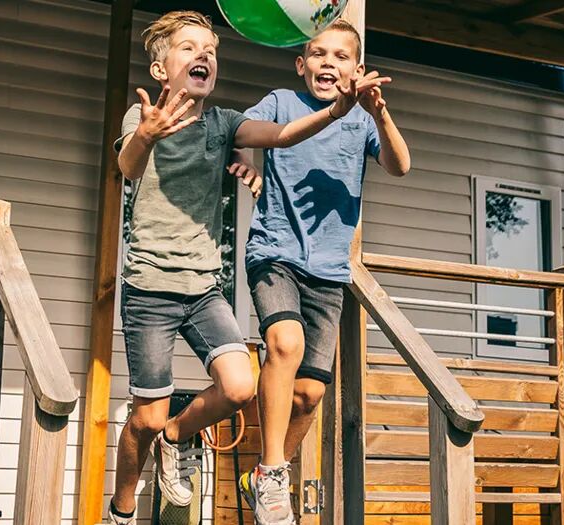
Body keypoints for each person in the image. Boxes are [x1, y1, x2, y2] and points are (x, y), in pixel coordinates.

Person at [107, 11, 389, 524]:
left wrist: (338, 110)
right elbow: (128, 166)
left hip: (203, 287)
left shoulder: (223, 124)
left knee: (239, 388)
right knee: (145, 420)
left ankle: (177, 437)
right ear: (160, 70)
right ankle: (121, 511)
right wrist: (146, 134)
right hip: (150, 286)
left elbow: (284, 135)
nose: (203, 56)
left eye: (211, 51)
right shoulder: (139, 118)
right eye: (189, 48)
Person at [238, 19, 411, 525]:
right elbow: (239, 132)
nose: (328, 63)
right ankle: (273, 472)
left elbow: (400, 165)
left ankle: (264, 473)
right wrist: (244, 161)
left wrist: (379, 113)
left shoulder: (362, 122)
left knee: (310, 394)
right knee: (284, 344)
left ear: (357, 69)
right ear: (301, 64)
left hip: (329, 271)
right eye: (318, 54)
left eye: (340, 57)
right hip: (275, 252)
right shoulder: (281, 103)